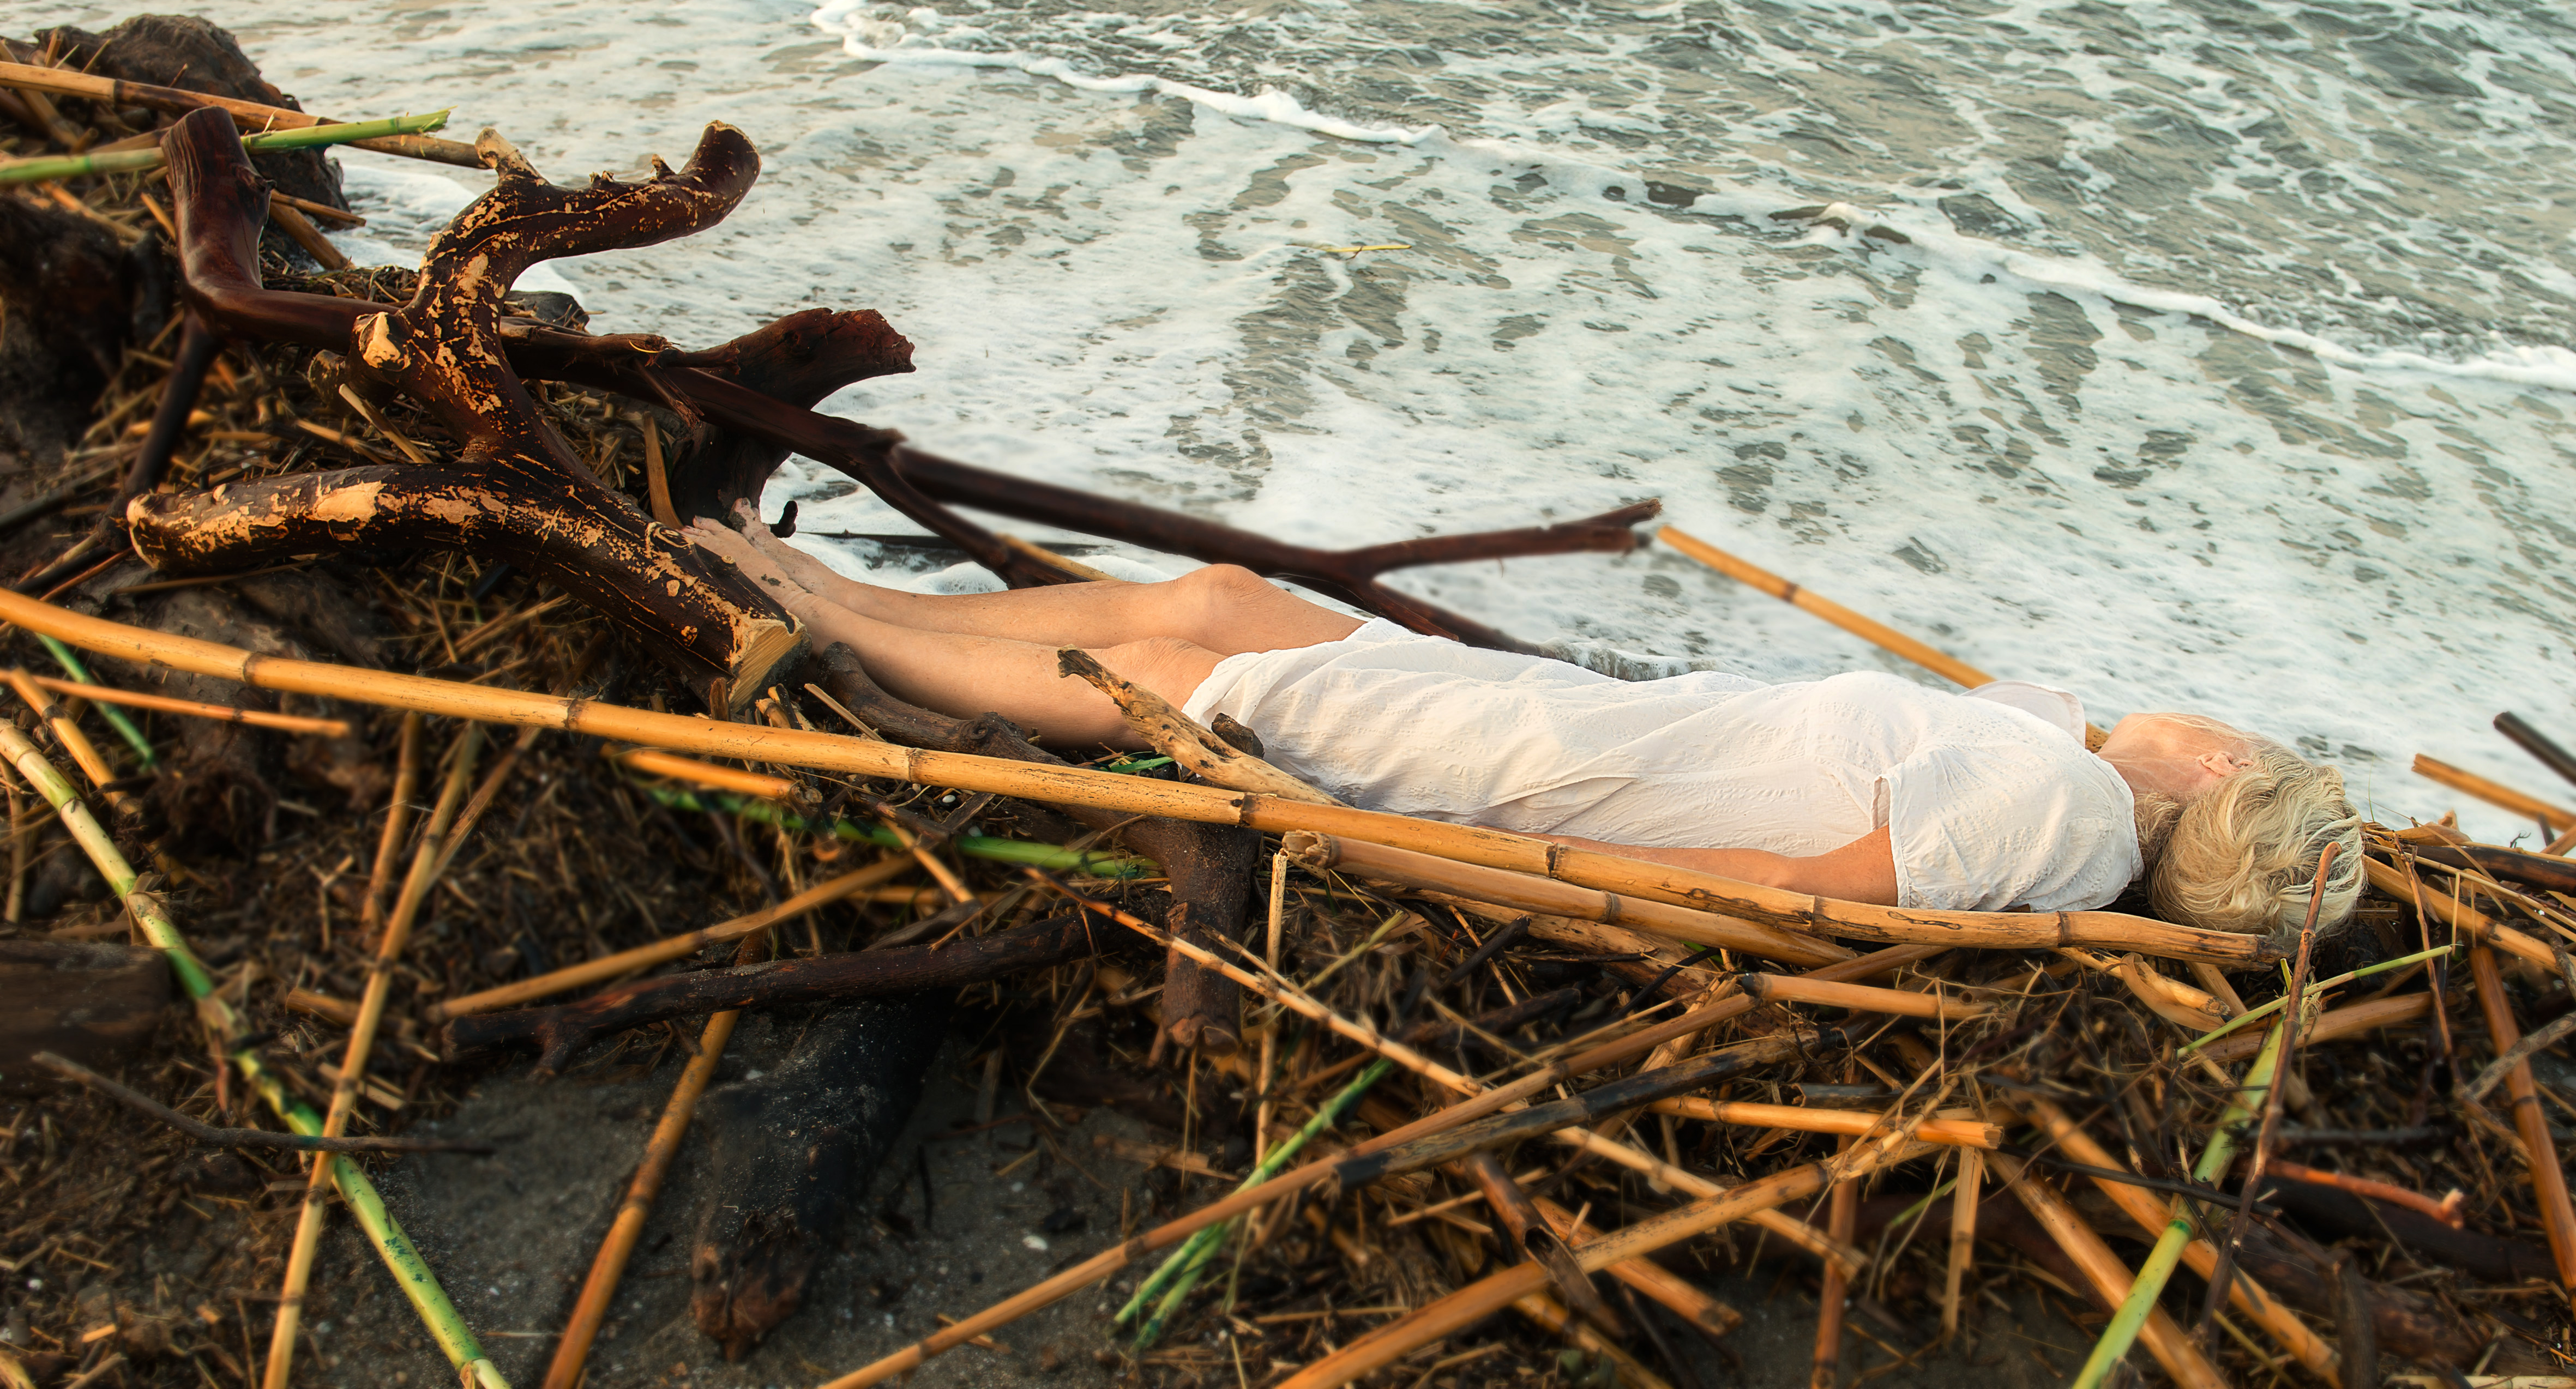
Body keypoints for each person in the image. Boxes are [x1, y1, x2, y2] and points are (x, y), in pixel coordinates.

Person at [687, 514, 2361, 938]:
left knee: (1190, 684)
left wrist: (1489, 864)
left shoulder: (2062, 821)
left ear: (2217, 766)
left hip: (1558, 774)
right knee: (1215, 597)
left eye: (2228, 728)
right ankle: (846, 588)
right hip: (1575, 716)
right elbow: (1995, 736)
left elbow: (1788, 892)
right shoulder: (2062, 771)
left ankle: (825, 620)